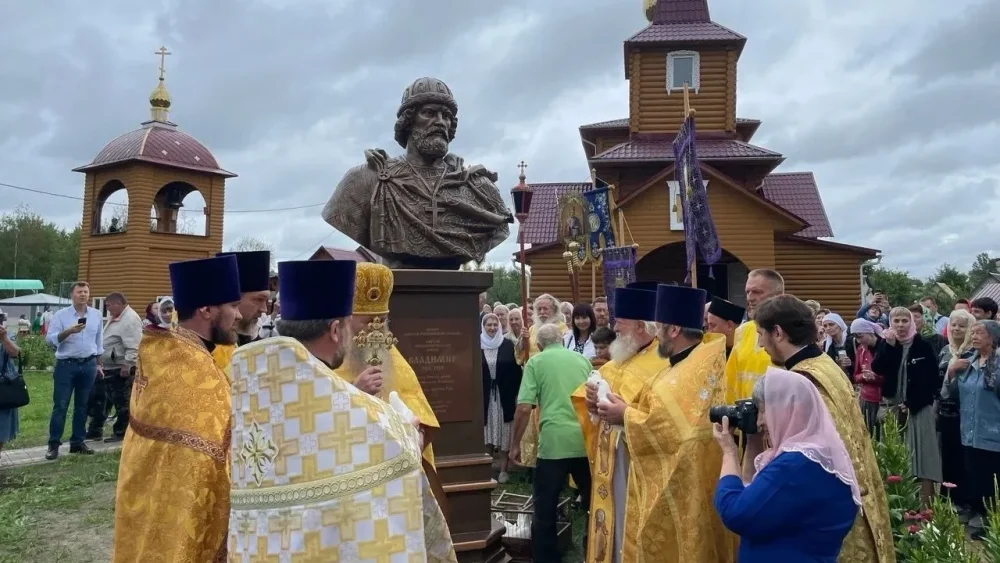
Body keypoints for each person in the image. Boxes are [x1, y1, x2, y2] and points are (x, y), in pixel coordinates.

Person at [228, 259, 457, 562]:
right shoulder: (350, 404)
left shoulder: (250, 386)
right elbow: (400, 461)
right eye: (351, 325)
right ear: (336, 330)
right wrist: (408, 430)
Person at [112, 255, 243, 562]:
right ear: (207, 310)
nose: (238, 315)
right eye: (232, 306)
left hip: (146, 501)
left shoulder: (164, 351)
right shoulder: (194, 370)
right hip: (180, 510)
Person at [594, 284, 736, 562]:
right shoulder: (690, 361)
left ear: (673, 330)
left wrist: (624, 414)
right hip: (688, 473)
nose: (655, 334)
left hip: (682, 481)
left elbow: (667, 427)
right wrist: (625, 407)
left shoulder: (689, 369)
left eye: (659, 328)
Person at [753, 295, 894, 562]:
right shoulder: (824, 365)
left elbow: (806, 457)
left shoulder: (804, 382)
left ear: (778, 332)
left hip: (833, 519)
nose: (760, 344)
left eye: (761, 334)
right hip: (859, 496)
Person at [323, 77, 512, 269]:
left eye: (446, 116)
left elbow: (500, 229)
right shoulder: (364, 180)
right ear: (408, 121)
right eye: (429, 113)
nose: (440, 122)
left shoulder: (478, 188)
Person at [713, 367, 861, 562]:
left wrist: (729, 452)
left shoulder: (796, 465)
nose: (759, 422)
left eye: (764, 411)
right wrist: (753, 440)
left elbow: (735, 512)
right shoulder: (819, 454)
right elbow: (750, 491)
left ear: (788, 410)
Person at [572, 284, 665, 563]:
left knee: (629, 517)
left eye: (621, 323)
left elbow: (663, 419)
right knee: (610, 519)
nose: (615, 328)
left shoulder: (664, 362)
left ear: (641, 326)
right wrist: (589, 400)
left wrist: (624, 414)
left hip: (636, 460)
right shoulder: (618, 359)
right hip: (608, 461)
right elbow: (588, 400)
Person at [509, 323, 592, 563]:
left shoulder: (536, 362)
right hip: (583, 440)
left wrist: (515, 444)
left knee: (545, 507)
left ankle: (546, 558)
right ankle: (592, 550)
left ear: (539, 344)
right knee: (591, 502)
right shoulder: (582, 361)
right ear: (561, 339)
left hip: (553, 442)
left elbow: (524, 407)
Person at [872, 306, 942, 504]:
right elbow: (878, 368)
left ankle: (925, 506)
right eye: (896, 321)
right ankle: (901, 503)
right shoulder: (887, 344)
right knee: (897, 457)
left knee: (923, 456)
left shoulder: (923, 346)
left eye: (905, 321)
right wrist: (889, 346)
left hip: (919, 408)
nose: (901, 325)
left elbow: (931, 381)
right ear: (890, 323)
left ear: (912, 322)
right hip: (894, 408)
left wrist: (912, 403)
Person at [941, 319, 1000, 538]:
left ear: (992, 337)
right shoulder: (967, 362)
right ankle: (976, 511)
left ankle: (989, 519)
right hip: (970, 431)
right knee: (974, 476)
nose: (974, 336)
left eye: (979, 333)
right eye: (972, 333)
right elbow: (949, 395)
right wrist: (951, 372)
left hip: (994, 433)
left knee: (991, 479)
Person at [44, 281, 103, 460]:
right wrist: (67, 332)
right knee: (60, 406)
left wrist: (99, 363)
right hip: (66, 365)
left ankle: (77, 442)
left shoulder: (96, 315)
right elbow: (49, 340)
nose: (83, 295)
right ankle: (54, 444)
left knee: (82, 405)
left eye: (86, 292)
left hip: (88, 364)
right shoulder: (61, 316)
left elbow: (99, 340)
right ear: (72, 295)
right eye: (79, 292)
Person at [87, 292, 142, 442]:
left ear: (118, 303)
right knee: (105, 399)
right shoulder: (117, 318)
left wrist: (128, 364)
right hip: (109, 367)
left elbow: (134, 345)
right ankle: (96, 429)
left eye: (109, 305)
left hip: (120, 367)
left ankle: (121, 432)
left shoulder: (130, 319)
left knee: (122, 401)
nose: (107, 308)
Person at [725, 269, 784, 405]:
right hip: (744, 419)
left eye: (757, 292)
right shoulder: (742, 331)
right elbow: (731, 380)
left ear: (779, 295)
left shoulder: (789, 331)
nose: (750, 298)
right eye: (747, 292)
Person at [937, 309, 976, 511]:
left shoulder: (973, 353)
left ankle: (964, 500)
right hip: (945, 413)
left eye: (962, 325)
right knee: (948, 456)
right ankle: (948, 499)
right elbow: (938, 376)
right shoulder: (945, 350)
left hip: (966, 413)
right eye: (953, 324)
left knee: (964, 459)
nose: (957, 328)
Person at [210, 250, 272, 370]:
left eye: (266, 301)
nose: (264, 309)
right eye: (258, 300)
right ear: (234, 301)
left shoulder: (265, 348)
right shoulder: (205, 350)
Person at [481, 312, 521, 484]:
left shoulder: (507, 344)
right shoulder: (477, 345)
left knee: (505, 433)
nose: (492, 328)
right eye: (488, 325)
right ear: (483, 327)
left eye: (495, 324)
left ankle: (504, 469)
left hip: (504, 397)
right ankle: (486, 470)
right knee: (487, 435)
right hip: (486, 399)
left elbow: (516, 371)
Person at [850, 317, 884, 438]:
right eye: (856, 338)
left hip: (883, 399)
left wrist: (876, 377)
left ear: (870, 332)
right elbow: (856, 375)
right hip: (867, 399)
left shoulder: (884, 347)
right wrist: (864, 376)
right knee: (869, 436)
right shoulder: (861, 350)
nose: (859, 341)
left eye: (860, 336)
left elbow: (892, 375)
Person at [0, 321, 21, 453]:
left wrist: (4, 338)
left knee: (1, 425)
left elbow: (16, 353)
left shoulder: (6, 333)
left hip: (2, 386)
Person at [822, 312, 854, 379]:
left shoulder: (852, 340)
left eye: (831, 324)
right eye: (825, 326)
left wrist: (851, 363)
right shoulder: (826, 345)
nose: (828, 328)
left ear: (839, 324)